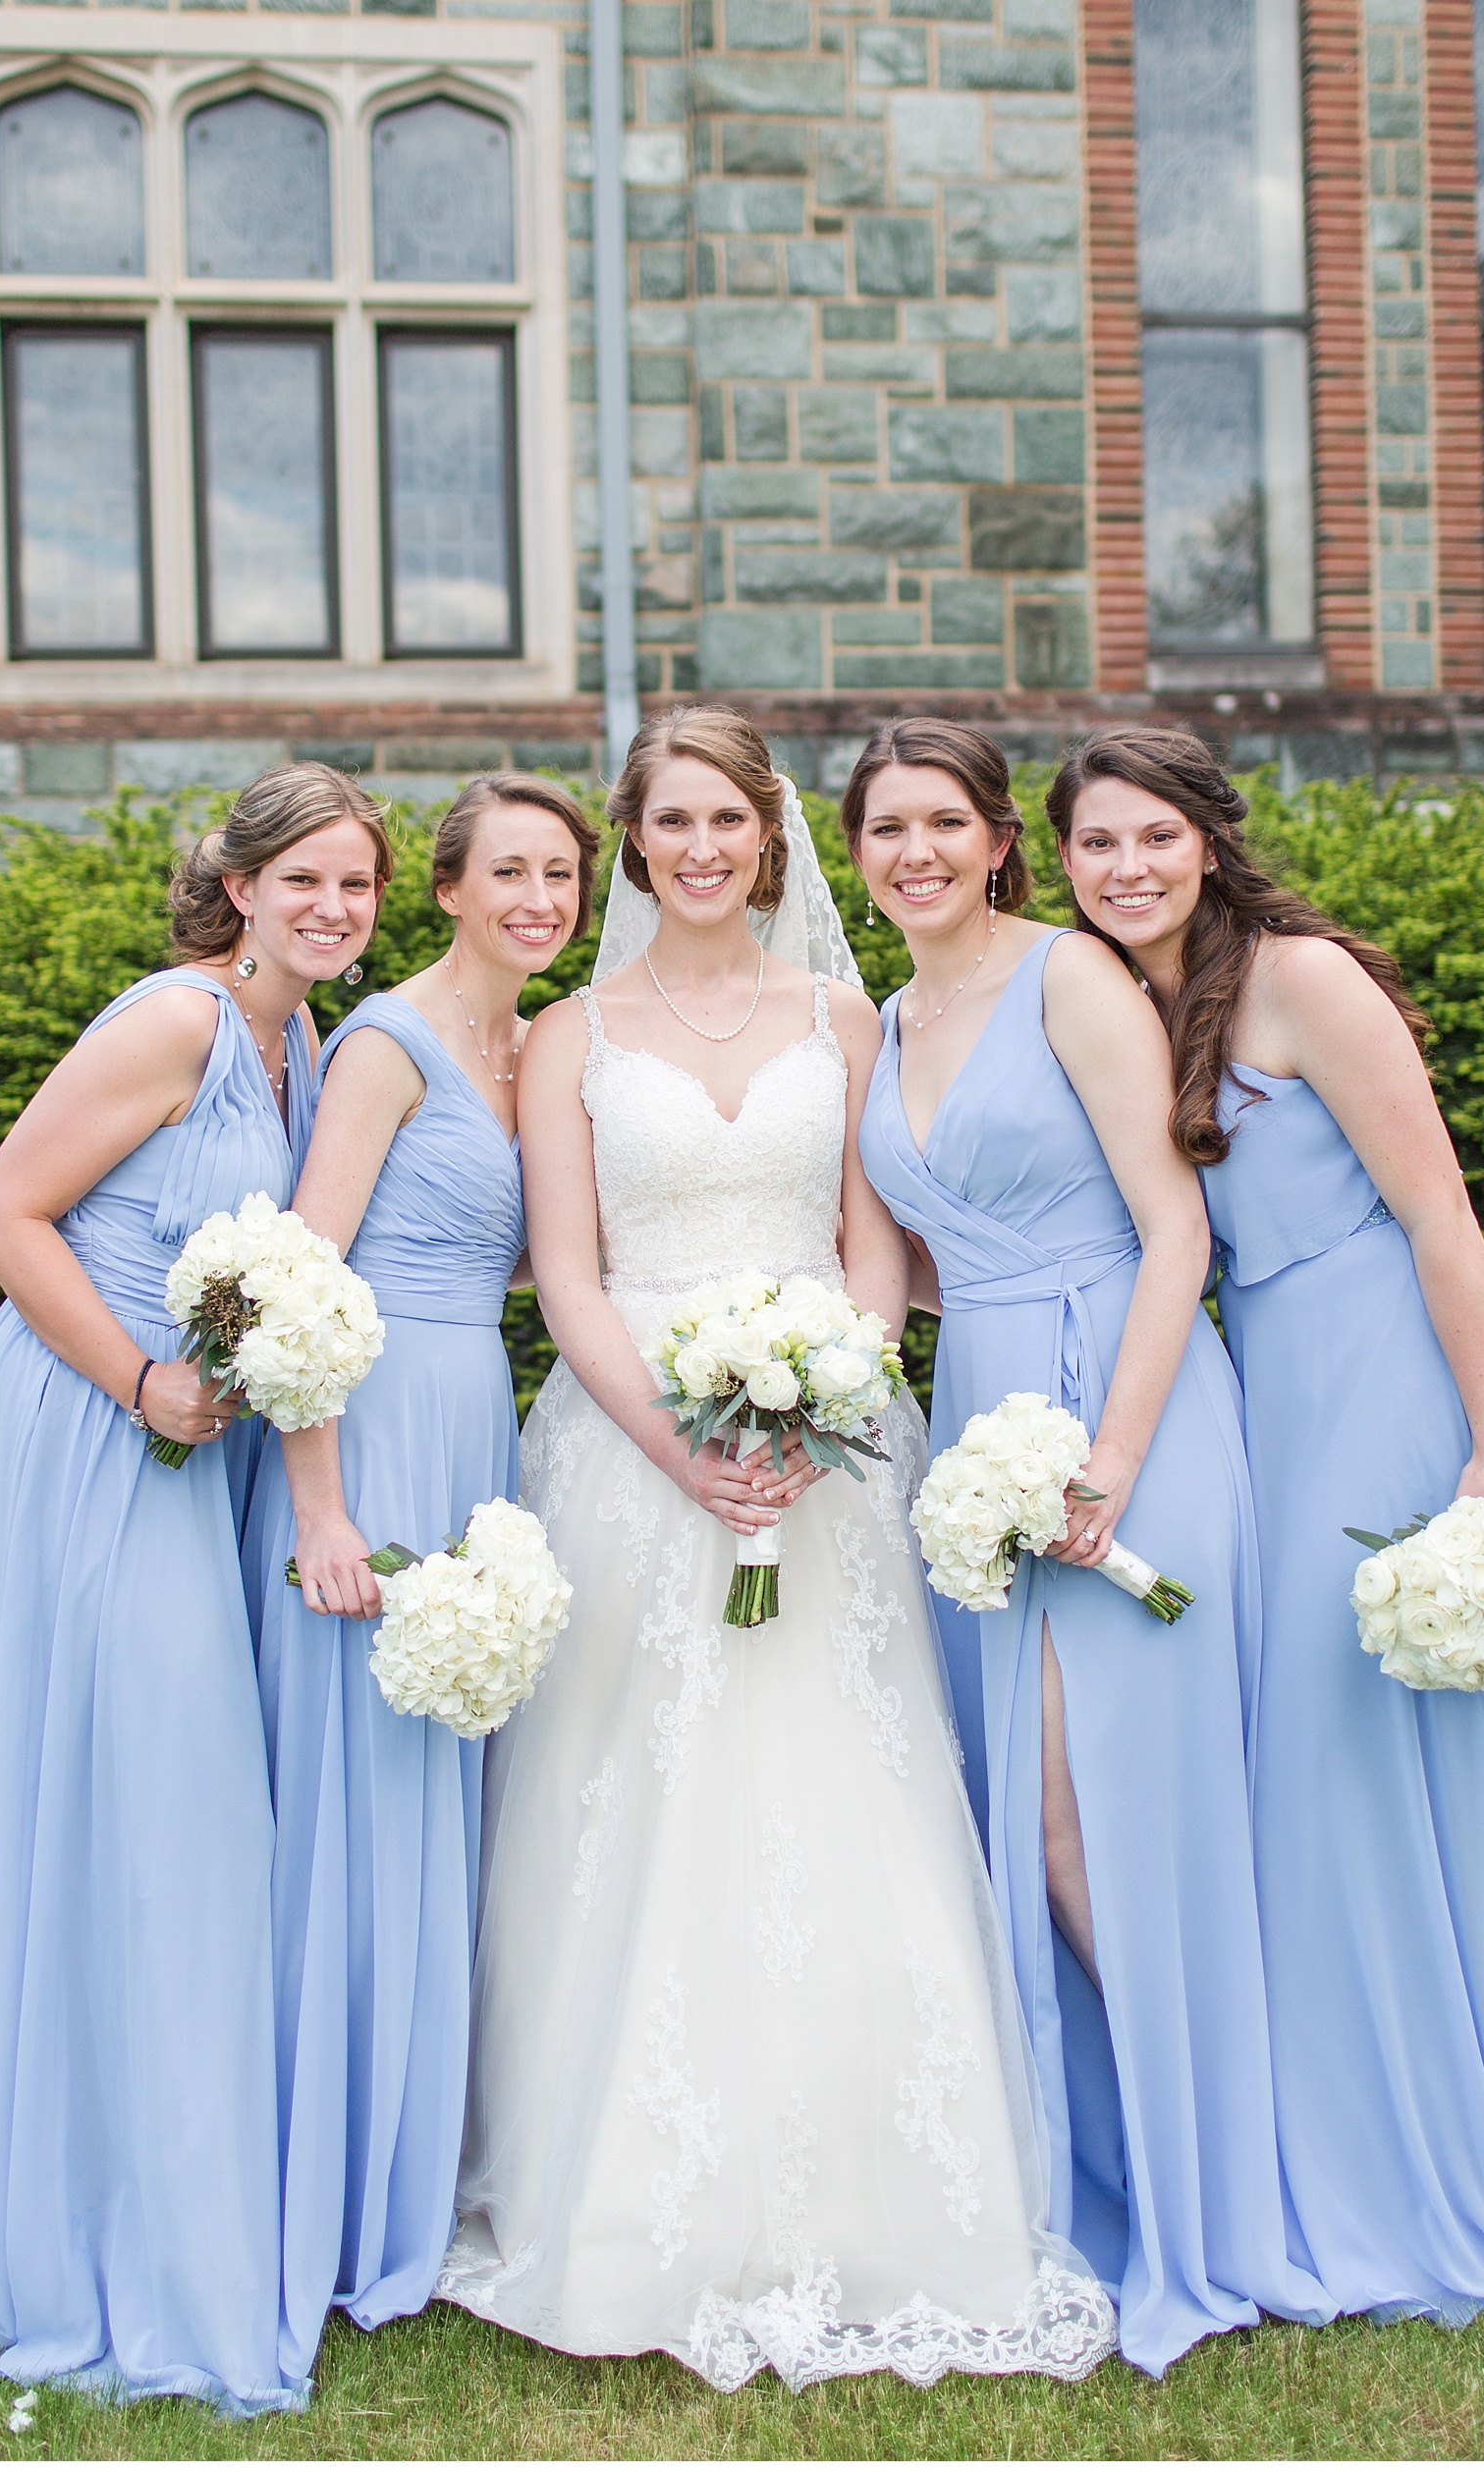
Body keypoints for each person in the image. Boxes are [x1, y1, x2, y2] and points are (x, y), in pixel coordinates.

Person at [434, 706, 1118, 2392]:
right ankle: (627, 2189)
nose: (703, 847)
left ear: (769, 830)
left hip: (827, 1458)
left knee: (844, 1786)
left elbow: (868, 1242)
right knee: (633, 1797)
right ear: (635, 839)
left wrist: (836, 1405)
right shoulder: (572, 1033)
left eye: (728, 818)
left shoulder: (846, 1015)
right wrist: (682, 1444)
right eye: (670, 821)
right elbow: (570, 1278)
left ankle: (885, 2189)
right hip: (630, 1443)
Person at [1048, 722, 1484, 2324]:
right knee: (1308, 1767)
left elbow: (1442, 1214)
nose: (1127, 868)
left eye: (1154, 837)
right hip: (1260, 1394)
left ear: (1208, 841)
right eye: (1097, 844)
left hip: (1381, 1378)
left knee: (1390, 1747)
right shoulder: (1117, 1002)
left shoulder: (1299, 977)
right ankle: (1353, 2125)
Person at [849, 718, 1331, 2377]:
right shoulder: (892, 1017)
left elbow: (1171, 1219)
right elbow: (922, 1263)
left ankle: (1230, 2189)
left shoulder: (1071, 979)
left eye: (941, 822)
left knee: (1098, 1815)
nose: (913, 850)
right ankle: (1105, 2172)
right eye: (882, 826)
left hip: (1127, 1409)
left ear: (999, 841)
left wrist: (1112, 1452)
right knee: (1032, 1812)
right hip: (986, 1421)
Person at [0, 763, 392, 2414]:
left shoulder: (305, 1042)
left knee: (166, 1803)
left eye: (357, 887)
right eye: (305, 881)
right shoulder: (176, 1020)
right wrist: (134, 1380)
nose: (333, 909)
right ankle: (103, 2207)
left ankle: (145, 2150)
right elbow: (3, 1211)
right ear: (239, 886)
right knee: (154, 1794)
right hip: (85, 1430)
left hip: (196, 1451)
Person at [242, 775, 598, 2383]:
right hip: (372, 1431)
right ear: (448, 888)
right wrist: (319, 1506)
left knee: (450, 1809)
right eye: (507, 870)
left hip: (480, 1430)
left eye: (561, 871)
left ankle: (425, 2160)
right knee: (362, 1809)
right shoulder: (385, 1043)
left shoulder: (541, 1046)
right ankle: (324, 2190)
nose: (538, 894)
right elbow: (301, 1280)